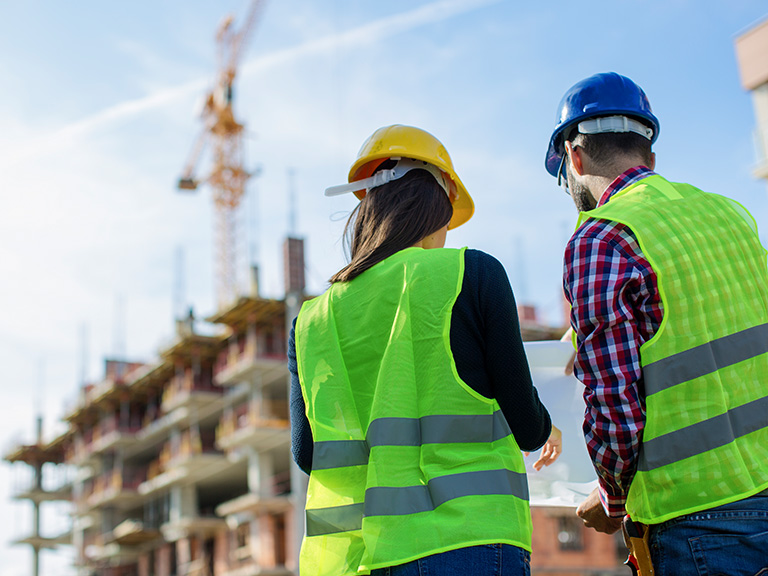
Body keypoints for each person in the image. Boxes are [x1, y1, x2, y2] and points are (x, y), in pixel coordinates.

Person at [289, 124, 562, 576]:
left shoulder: (311, 320)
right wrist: (547, 429)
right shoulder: (472, 273)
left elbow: (308, 453)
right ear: (437, 204)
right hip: (469, 540)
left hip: (363, 556)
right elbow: (525, 421)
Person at [546, 72, 768, 574]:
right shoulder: (729, 214)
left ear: (574, 159)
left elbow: (616, 411)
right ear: (650, 154)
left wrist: (610, 498)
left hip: (698, 519)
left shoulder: (601, 238)